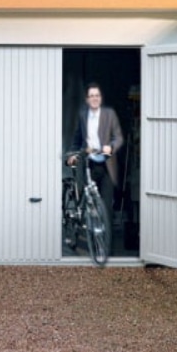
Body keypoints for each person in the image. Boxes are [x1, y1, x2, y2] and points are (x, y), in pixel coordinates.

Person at [67, 83, 124, 240]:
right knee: (87, 201)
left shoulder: (109, 114)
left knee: (106, 206)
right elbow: (77, 139)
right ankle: (88, 234)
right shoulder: (83, 116)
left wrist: (111, 147)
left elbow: (118, 137)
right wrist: (73, 154)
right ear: (87, 99)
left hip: (106, 166)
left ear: (101, 98)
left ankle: (106, 243)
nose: (94, 98)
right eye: (91, 96)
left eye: (97, 95)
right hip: (88, 165)